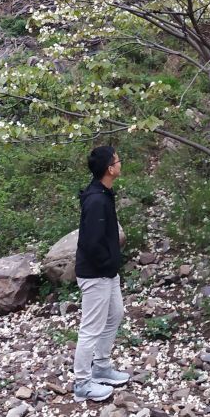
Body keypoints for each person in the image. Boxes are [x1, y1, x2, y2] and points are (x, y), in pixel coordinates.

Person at [72, 145, 130, 402]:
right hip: (95, 274)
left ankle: (102, 366)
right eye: (118, 161)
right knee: (90, 328)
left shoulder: (104, 193)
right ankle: (82, 384)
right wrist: (107, 264)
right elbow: (91, 242)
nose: (120, 164)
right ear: (109, 169)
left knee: (116, 313)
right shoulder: (96, 200)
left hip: (107, 271)